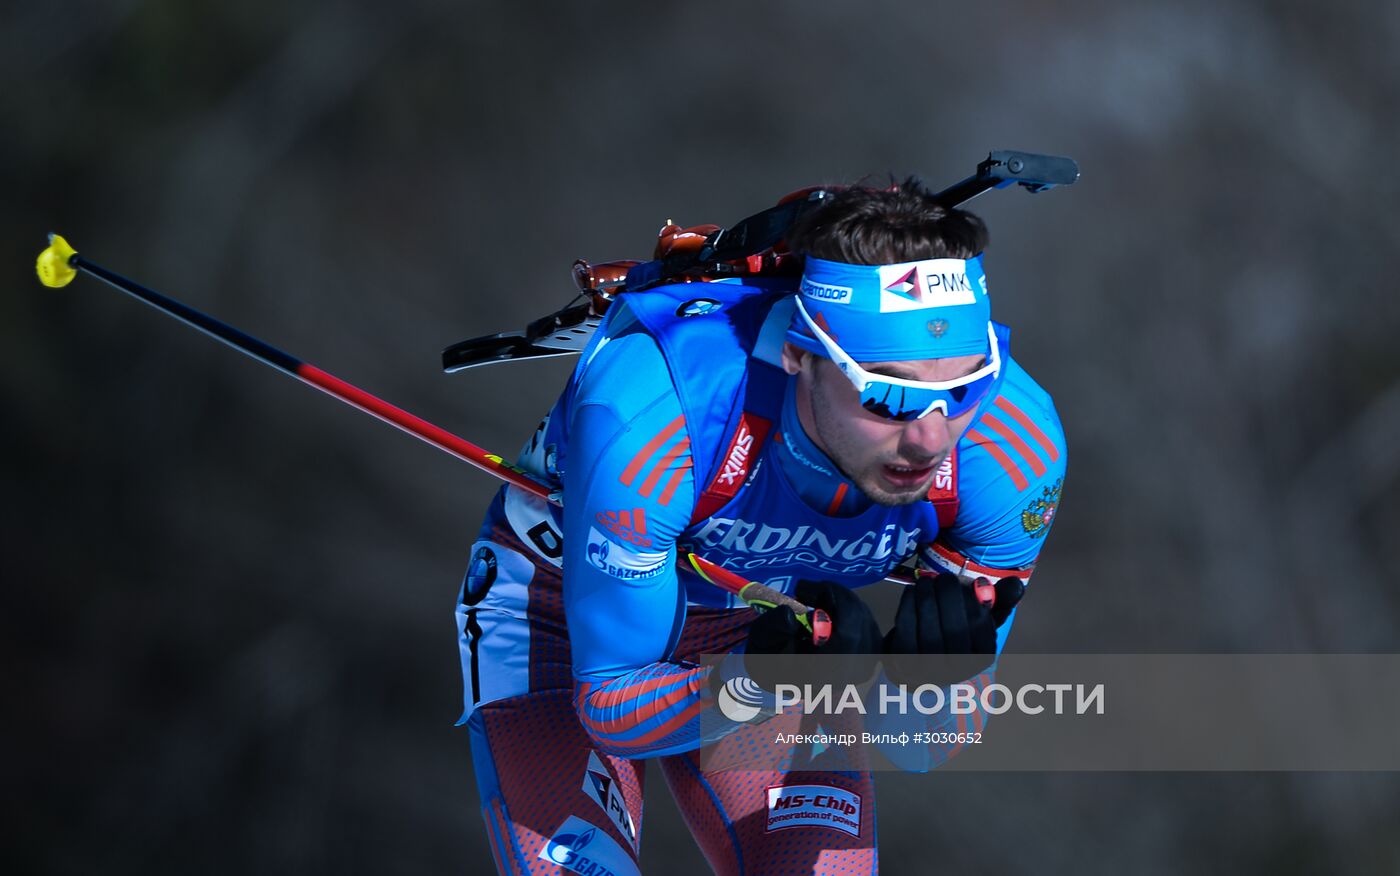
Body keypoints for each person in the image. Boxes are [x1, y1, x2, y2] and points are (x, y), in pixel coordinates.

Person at [455, 179, 1066, 874]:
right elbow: (611, 706)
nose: (930, 440)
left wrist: (932, 681)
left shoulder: (1011, 450)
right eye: (888, 395)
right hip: (559, 619)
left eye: (966, 386)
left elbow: (923, 747)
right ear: (800, 354)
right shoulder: (656, 411)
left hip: (766, 626)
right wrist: (757, 684)